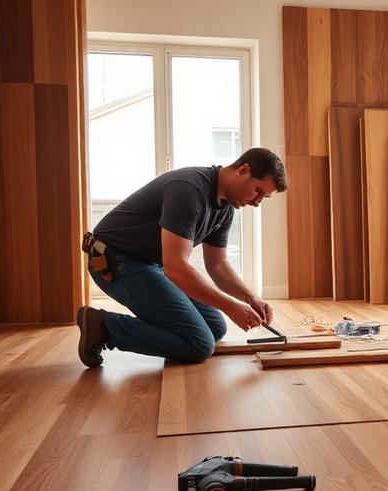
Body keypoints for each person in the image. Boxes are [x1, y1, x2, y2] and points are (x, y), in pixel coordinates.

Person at [77, 148, 287, 367]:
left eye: (265, 197)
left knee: (215, 327)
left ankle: (168, 332)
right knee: (199, 345)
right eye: (258, 191)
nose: (257, 202)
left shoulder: (226, 207)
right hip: (115, 260)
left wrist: (250, 298)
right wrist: (232, 307)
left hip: (148, 265)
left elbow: (218, 265)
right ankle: (103, 326)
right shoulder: (189, 190)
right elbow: (176, 267)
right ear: (243, 170)